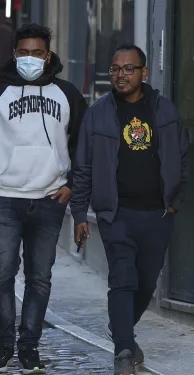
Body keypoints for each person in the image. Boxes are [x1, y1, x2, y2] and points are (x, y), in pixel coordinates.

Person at [0, 23, 88, 374]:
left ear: (49, 55)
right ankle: (3, 345)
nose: (30, 59)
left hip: (49, 199)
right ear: (14, 54)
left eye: (37, 53)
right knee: (1, 273)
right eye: (24, 52)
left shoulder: (68, 94)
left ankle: (29, 346)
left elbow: (83, 146)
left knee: (40, 277)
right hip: (3, 197)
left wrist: (72, 183)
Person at [71, 45, 188, 375]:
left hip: (158, 214)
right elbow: (83, 167)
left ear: (144, 73)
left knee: (146, 284)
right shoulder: (98, 114)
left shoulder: (165, 111)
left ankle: (121, 329)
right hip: (116, 214)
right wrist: (80, 214)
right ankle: (123, 348)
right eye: (115, 69)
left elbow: (182, 156)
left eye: (128, 69)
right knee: (122, 279)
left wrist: (174, 201)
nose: (121, 75)